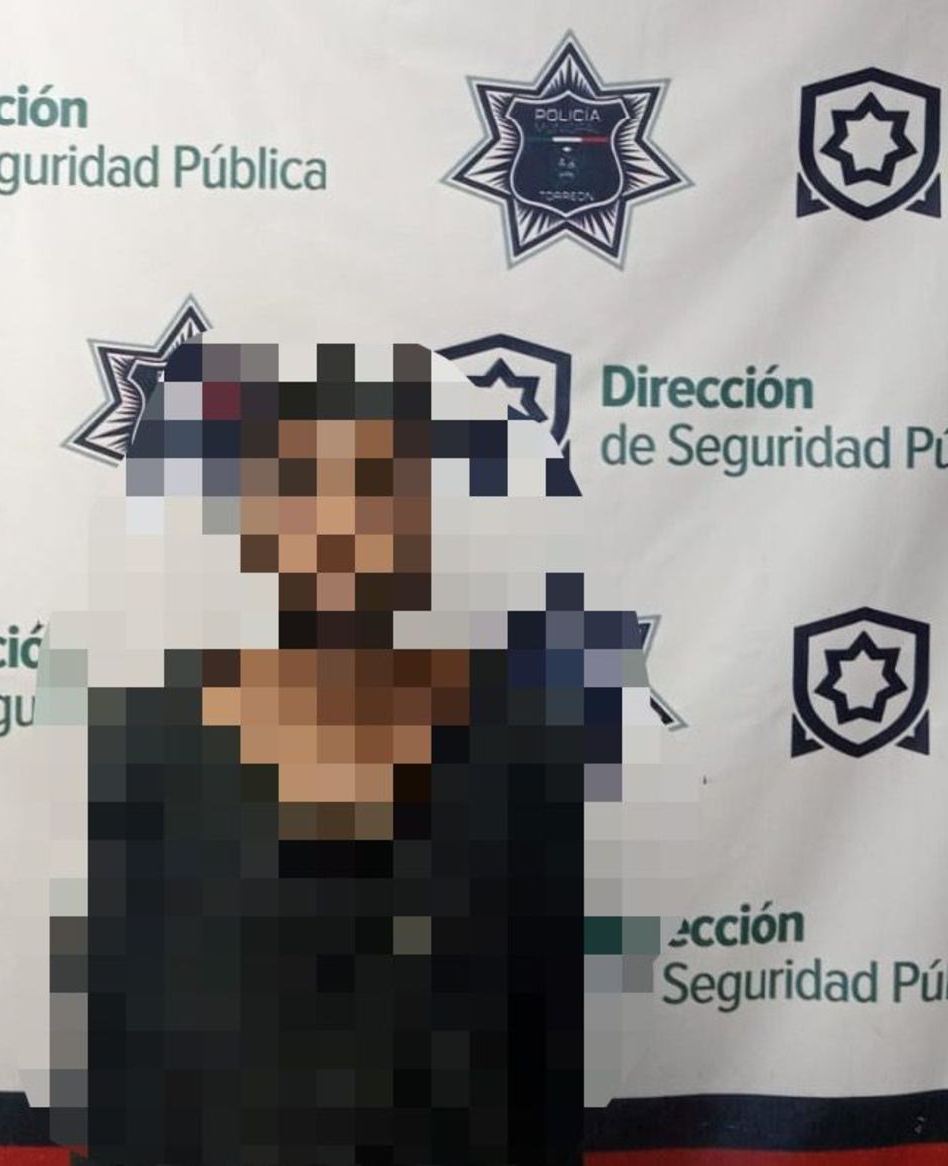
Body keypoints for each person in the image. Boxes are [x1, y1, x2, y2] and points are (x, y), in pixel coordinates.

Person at [78, 340, 652, 1165]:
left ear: (425, 517)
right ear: (250, 521)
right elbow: (124, 1034)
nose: (340, 523)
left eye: (376, 488)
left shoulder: (530, 727)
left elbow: (549, 1027)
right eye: (302, 489)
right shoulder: (154, 731)